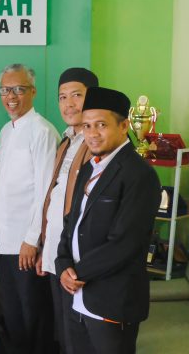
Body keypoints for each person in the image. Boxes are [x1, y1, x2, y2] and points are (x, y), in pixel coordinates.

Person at [56, 87, 161, 354]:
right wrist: (63, 264)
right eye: (87, 126)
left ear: (124, 125)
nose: (92, 133)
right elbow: (71, 222)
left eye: (101, 125)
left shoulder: (139, 174)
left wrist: (78, 272)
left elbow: (125, 243)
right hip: (77, 296)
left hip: (112, 299)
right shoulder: (90, 166)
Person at [0, 64, 60, 353]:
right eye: (6, 90)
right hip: (4, 239)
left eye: (19, 89)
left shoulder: (42, 131)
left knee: (34, 314)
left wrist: (32, 240)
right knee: (13, 313)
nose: (11, 96)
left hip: (26, 242)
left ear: (32, 91)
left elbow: (46, 192)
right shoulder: (6, 131)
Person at [36, 68, 99, 353]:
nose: (68, 104)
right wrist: (45, 249)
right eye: (63, 97)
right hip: (57, 257)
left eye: (77, 95)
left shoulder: (97, 145)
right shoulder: (66, 141)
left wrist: (76, 264)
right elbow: (54, 200)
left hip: (77, 263)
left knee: (80, 338)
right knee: (63, 333)